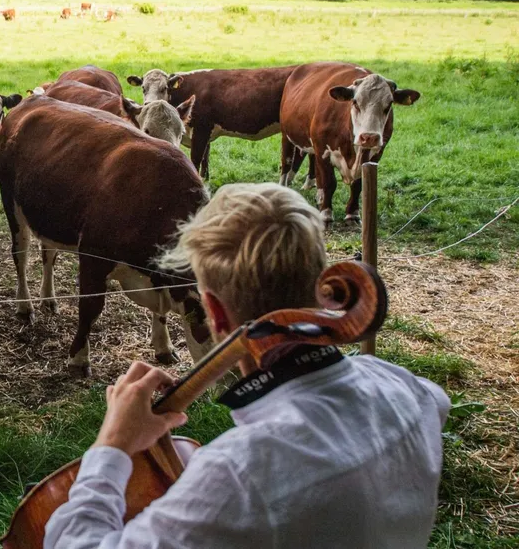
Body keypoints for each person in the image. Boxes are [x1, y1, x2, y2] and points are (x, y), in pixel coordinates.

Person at [44, 183, 449, 548]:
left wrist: (111, 446)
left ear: (216, 314)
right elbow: (438, 400)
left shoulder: (239, 477)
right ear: (323, 287)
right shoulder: (410, 392)